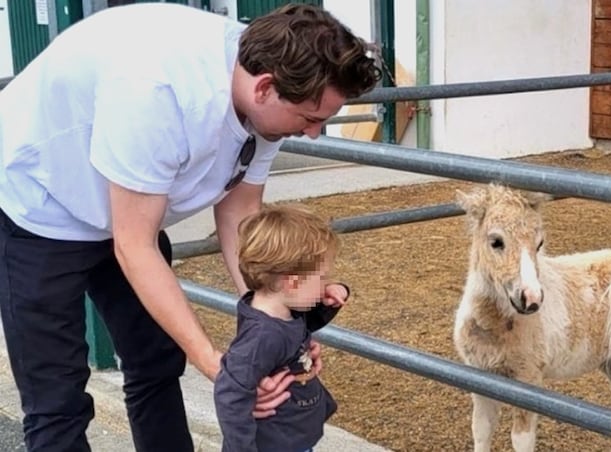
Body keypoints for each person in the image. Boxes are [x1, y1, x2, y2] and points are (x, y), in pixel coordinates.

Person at [0, 2, 380, 451]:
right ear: (265, 88)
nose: (314, 134)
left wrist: (281, 325)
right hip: (40, 207)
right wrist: (217, 365)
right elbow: (133, 245)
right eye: (311, 119)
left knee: (157, 361)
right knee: (56, 397)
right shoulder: (155, 92)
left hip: (128, 209)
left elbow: (242, 220)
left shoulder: (274, 73)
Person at [214, 203, 348, 452]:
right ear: (292, 283)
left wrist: (330, 298)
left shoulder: (284, 313)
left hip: (291, 435)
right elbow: (230, 394)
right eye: (322, 278)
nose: (326, 284)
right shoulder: (262, 336)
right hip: (274, 444)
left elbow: (305, 325)